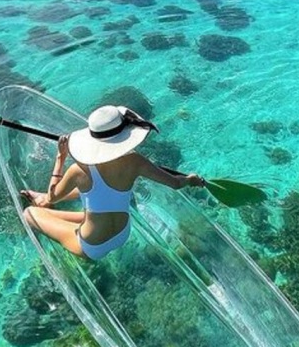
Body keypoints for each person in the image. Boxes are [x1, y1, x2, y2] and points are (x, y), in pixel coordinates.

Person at [20, 103, 204, 261]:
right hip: (122, 234)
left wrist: (60, 158)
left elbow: (53, 196)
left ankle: (40, 204)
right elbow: (176, 183)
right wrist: (191, 180)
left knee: (29, 213)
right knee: (92, 199)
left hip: (92, 247)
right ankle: (41, 201)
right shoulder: (135, 161)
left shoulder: (79, 170)